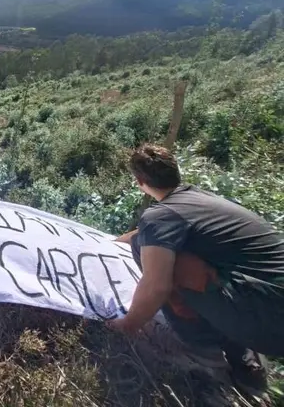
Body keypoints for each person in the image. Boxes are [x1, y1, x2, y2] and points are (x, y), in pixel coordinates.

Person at [107, 144, 284, 396]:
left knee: (151, 253)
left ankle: (203, 352)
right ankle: (246, 366)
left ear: (139, 181)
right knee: (147, 243)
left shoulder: (160, 216)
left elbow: (157, 286)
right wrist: (116, 241)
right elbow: (148, 233)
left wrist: (127, 325)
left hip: (269, 318)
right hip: (270, 304)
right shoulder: (201, 200)